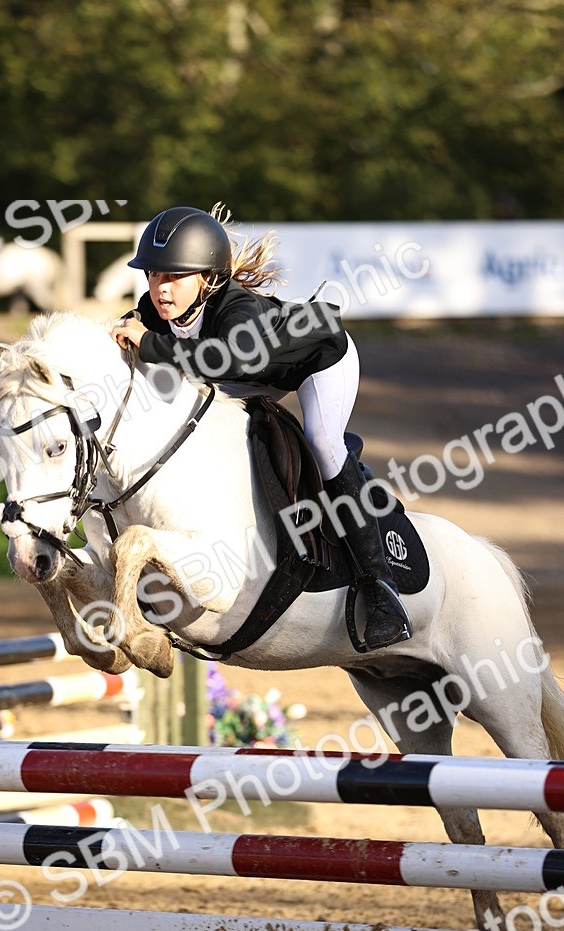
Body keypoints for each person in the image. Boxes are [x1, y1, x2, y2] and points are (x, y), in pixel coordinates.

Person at [112, 205, 412, 649]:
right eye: (154, 275)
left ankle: (381, 589)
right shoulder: (154, 311)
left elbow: (224, 360)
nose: (160, 288)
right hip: (251, 381)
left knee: (323, 445)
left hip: (319, 363)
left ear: (208, 278)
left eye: (174, 276)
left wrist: (151, 344)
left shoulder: (237, 311)